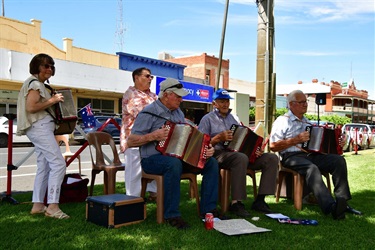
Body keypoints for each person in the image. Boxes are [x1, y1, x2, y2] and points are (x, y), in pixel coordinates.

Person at [127, 78, 226, 229]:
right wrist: (153, 136)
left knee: (211, 162)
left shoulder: (178, 113)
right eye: (178, 96)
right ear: (166, 95)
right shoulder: (148, 113)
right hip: (151, 160)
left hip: (178, 159)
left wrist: (206, 149)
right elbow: (131, 141)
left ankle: (209, 210)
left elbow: (188, 136)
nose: (181, 99)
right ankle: (171, 215)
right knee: (173, 163)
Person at [269, 90, 362, 219]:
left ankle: (343, 202)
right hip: (290, 157)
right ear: (291, 104)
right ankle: (331, 207)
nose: (305, 105)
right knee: (311, 168)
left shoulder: (308, 122)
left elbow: (321, 143)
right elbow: (273, 146)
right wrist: (295, 140)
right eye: (301, 102)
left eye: (305, 102)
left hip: (310, 155)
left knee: (338, 160)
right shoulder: (282, 121)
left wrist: (339, 141)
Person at [198, 89, 278, 217]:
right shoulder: (207, 119)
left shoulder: (233, 118)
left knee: (271, 158)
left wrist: (254, 151)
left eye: (227, 101)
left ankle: (260, 200)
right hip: (217, 153)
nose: (225, 104)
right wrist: (218, 138)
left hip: (237, 153)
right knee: (240, 158)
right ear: (214, 103)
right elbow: (200, 145)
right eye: (222, 101)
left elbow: (242, 138)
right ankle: (236, 203)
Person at [16, 53, 69, 219]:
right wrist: (53, 100)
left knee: (44, 165)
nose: (49, 69)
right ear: (36, 67)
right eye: (45, 65)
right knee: (58, 163)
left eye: (51, 66)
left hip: (38, 127)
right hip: (39, 127)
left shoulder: (34, 83)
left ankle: (38, 204)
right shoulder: (35, 84)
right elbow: (31, 107)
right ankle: (53, 206)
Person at [120, 67, 158, 198]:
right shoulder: (130, 94)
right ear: (137, 77)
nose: (150, 79)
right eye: (147, 76)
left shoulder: (153, 95)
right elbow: (142, 114)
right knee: (134, 172)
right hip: (133, 139)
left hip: (151, 139)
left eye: (151, 76)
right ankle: (132, 200)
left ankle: (153, 193)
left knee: (155, 163)